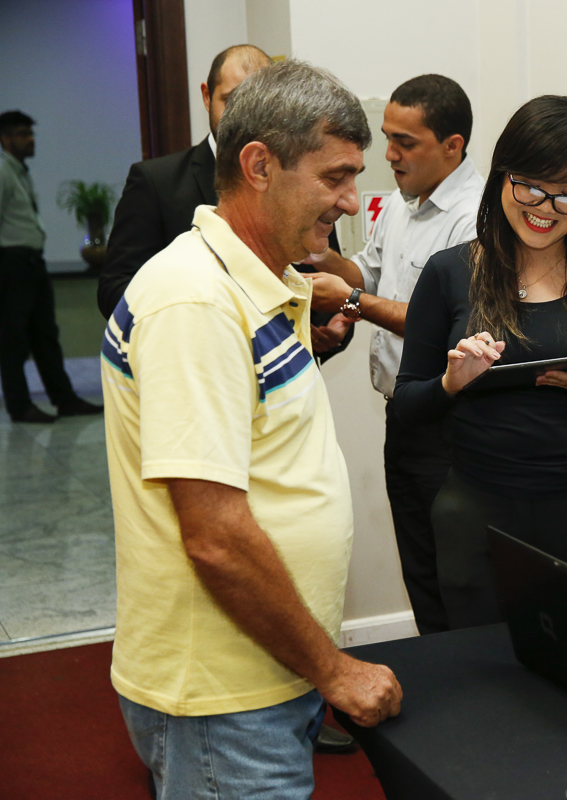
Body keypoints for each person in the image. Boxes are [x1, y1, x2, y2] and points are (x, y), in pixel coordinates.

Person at [101, 61, 402, 798]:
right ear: (259, 165)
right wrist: (335, 670)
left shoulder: (251, 281)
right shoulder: (195, 303)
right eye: (333, 178)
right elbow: (214, 533)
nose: (346, 202)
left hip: (267, 666)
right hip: (221, 696)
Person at [391, 95, 567, 630]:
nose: (546, 208)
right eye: (532, 187)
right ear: (502, 176)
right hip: (479, 516)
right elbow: (407, 405)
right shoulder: (450, 273)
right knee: (488, 679)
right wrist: (450, 383)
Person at [307, 74, 484, 635]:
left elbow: (443, 330)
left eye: (406, 142)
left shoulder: (473, 217)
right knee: (420, 566)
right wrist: (317, 248)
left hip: (454, 422)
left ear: (452, 146)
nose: (391, 155)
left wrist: (351, 301)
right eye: (388, 137)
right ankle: (439, 676)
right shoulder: (404, 203)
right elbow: (369, 272)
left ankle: (469, 693)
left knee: (459, 575)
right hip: (403, 414)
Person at [98, 45, 353, 362]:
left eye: (262, 105)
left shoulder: (302, 179)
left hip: (289, 371)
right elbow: (115, 289)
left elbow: (326, 272)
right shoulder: (156, 181)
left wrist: (332, 326)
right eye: (232, 101)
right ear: (207, 96)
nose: (246, 118)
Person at [0, 110, 103, 423]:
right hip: (12, 262)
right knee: (12, 338)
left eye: (31, 134)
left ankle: (64, 399)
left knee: (45, 335)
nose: (30, 139)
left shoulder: (18, 170)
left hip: (30, 262)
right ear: (4, 138)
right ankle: (19, 406)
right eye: (22, 134)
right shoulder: (3, 171)